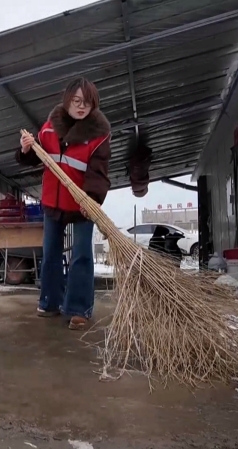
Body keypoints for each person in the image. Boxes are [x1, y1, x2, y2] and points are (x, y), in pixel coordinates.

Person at [16, 77, 150, 330]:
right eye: (76, 101)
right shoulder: (48, 128)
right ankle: (50, 301)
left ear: (93, 106)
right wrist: (25, 150)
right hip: (52, 201)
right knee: (51, 254)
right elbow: (35, 158)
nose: (81, 106)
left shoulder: (99, 135)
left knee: (81, 255)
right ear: (67, 100)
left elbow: (98, 174)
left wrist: (91, 201)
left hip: (82, 203)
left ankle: (79, 308)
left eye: (86, 103)